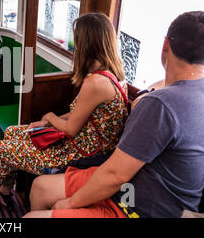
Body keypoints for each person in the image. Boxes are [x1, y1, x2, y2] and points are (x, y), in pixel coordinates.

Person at [24, 11, 204, 218]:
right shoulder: (181, 96)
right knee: (40, 187)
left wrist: (68, 204)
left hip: (133, 206)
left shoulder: (161, 105)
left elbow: (114, 176)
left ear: (165, 45)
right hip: (139, 190)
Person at [0, 13, 130, 217]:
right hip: (84, 146)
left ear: (86, 43)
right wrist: (46, 123)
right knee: (13, 131)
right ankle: (4, 190)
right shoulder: (114, 77)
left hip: (77, 155)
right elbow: (79, 115)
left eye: (76, 39)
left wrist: (49, 117)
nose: (73, 45)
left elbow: (71, 128)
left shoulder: (96, 83)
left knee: (0, 150)